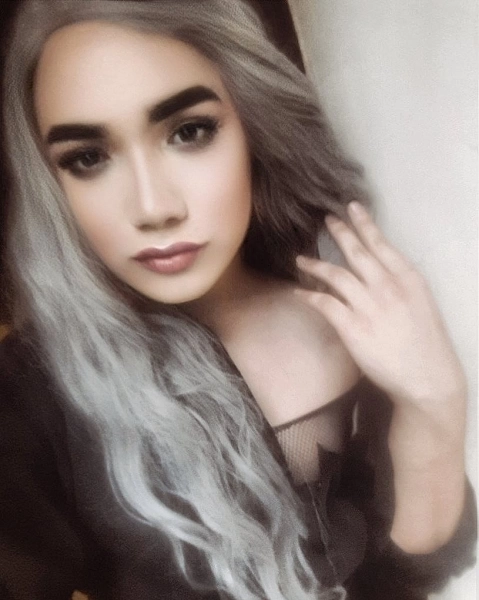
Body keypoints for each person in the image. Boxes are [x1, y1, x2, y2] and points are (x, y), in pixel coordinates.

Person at [0, 1, 476, 599]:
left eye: (189, 132)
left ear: (253, 123)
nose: (153, 207)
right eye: (87, 158)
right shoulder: (31, 398)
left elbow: (405, 577)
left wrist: (435, 404)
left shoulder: (358, 324)